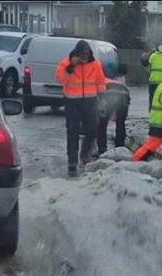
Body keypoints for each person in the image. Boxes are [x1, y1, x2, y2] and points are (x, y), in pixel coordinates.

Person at [55, 40, 106, 176]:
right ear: (77, 53)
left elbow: (100, 82)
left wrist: (102, 98)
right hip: (72, 102)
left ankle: (84, 155)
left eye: (87, 54)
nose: (85, 57)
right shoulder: (66, 62)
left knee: (92, 129)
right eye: (82, 54)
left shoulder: (95, 64)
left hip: (90, 101)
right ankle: (72, 162)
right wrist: (71, 66)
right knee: (72, 133)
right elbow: (60, 79)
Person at [95, 78, 130, 154]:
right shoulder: (112, 80)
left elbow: (97, 99)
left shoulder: (96, 82)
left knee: (102, 124)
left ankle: (102, 149)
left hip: (109, 94)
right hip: (124, 94)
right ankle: (120, 148)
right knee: (121, 123)